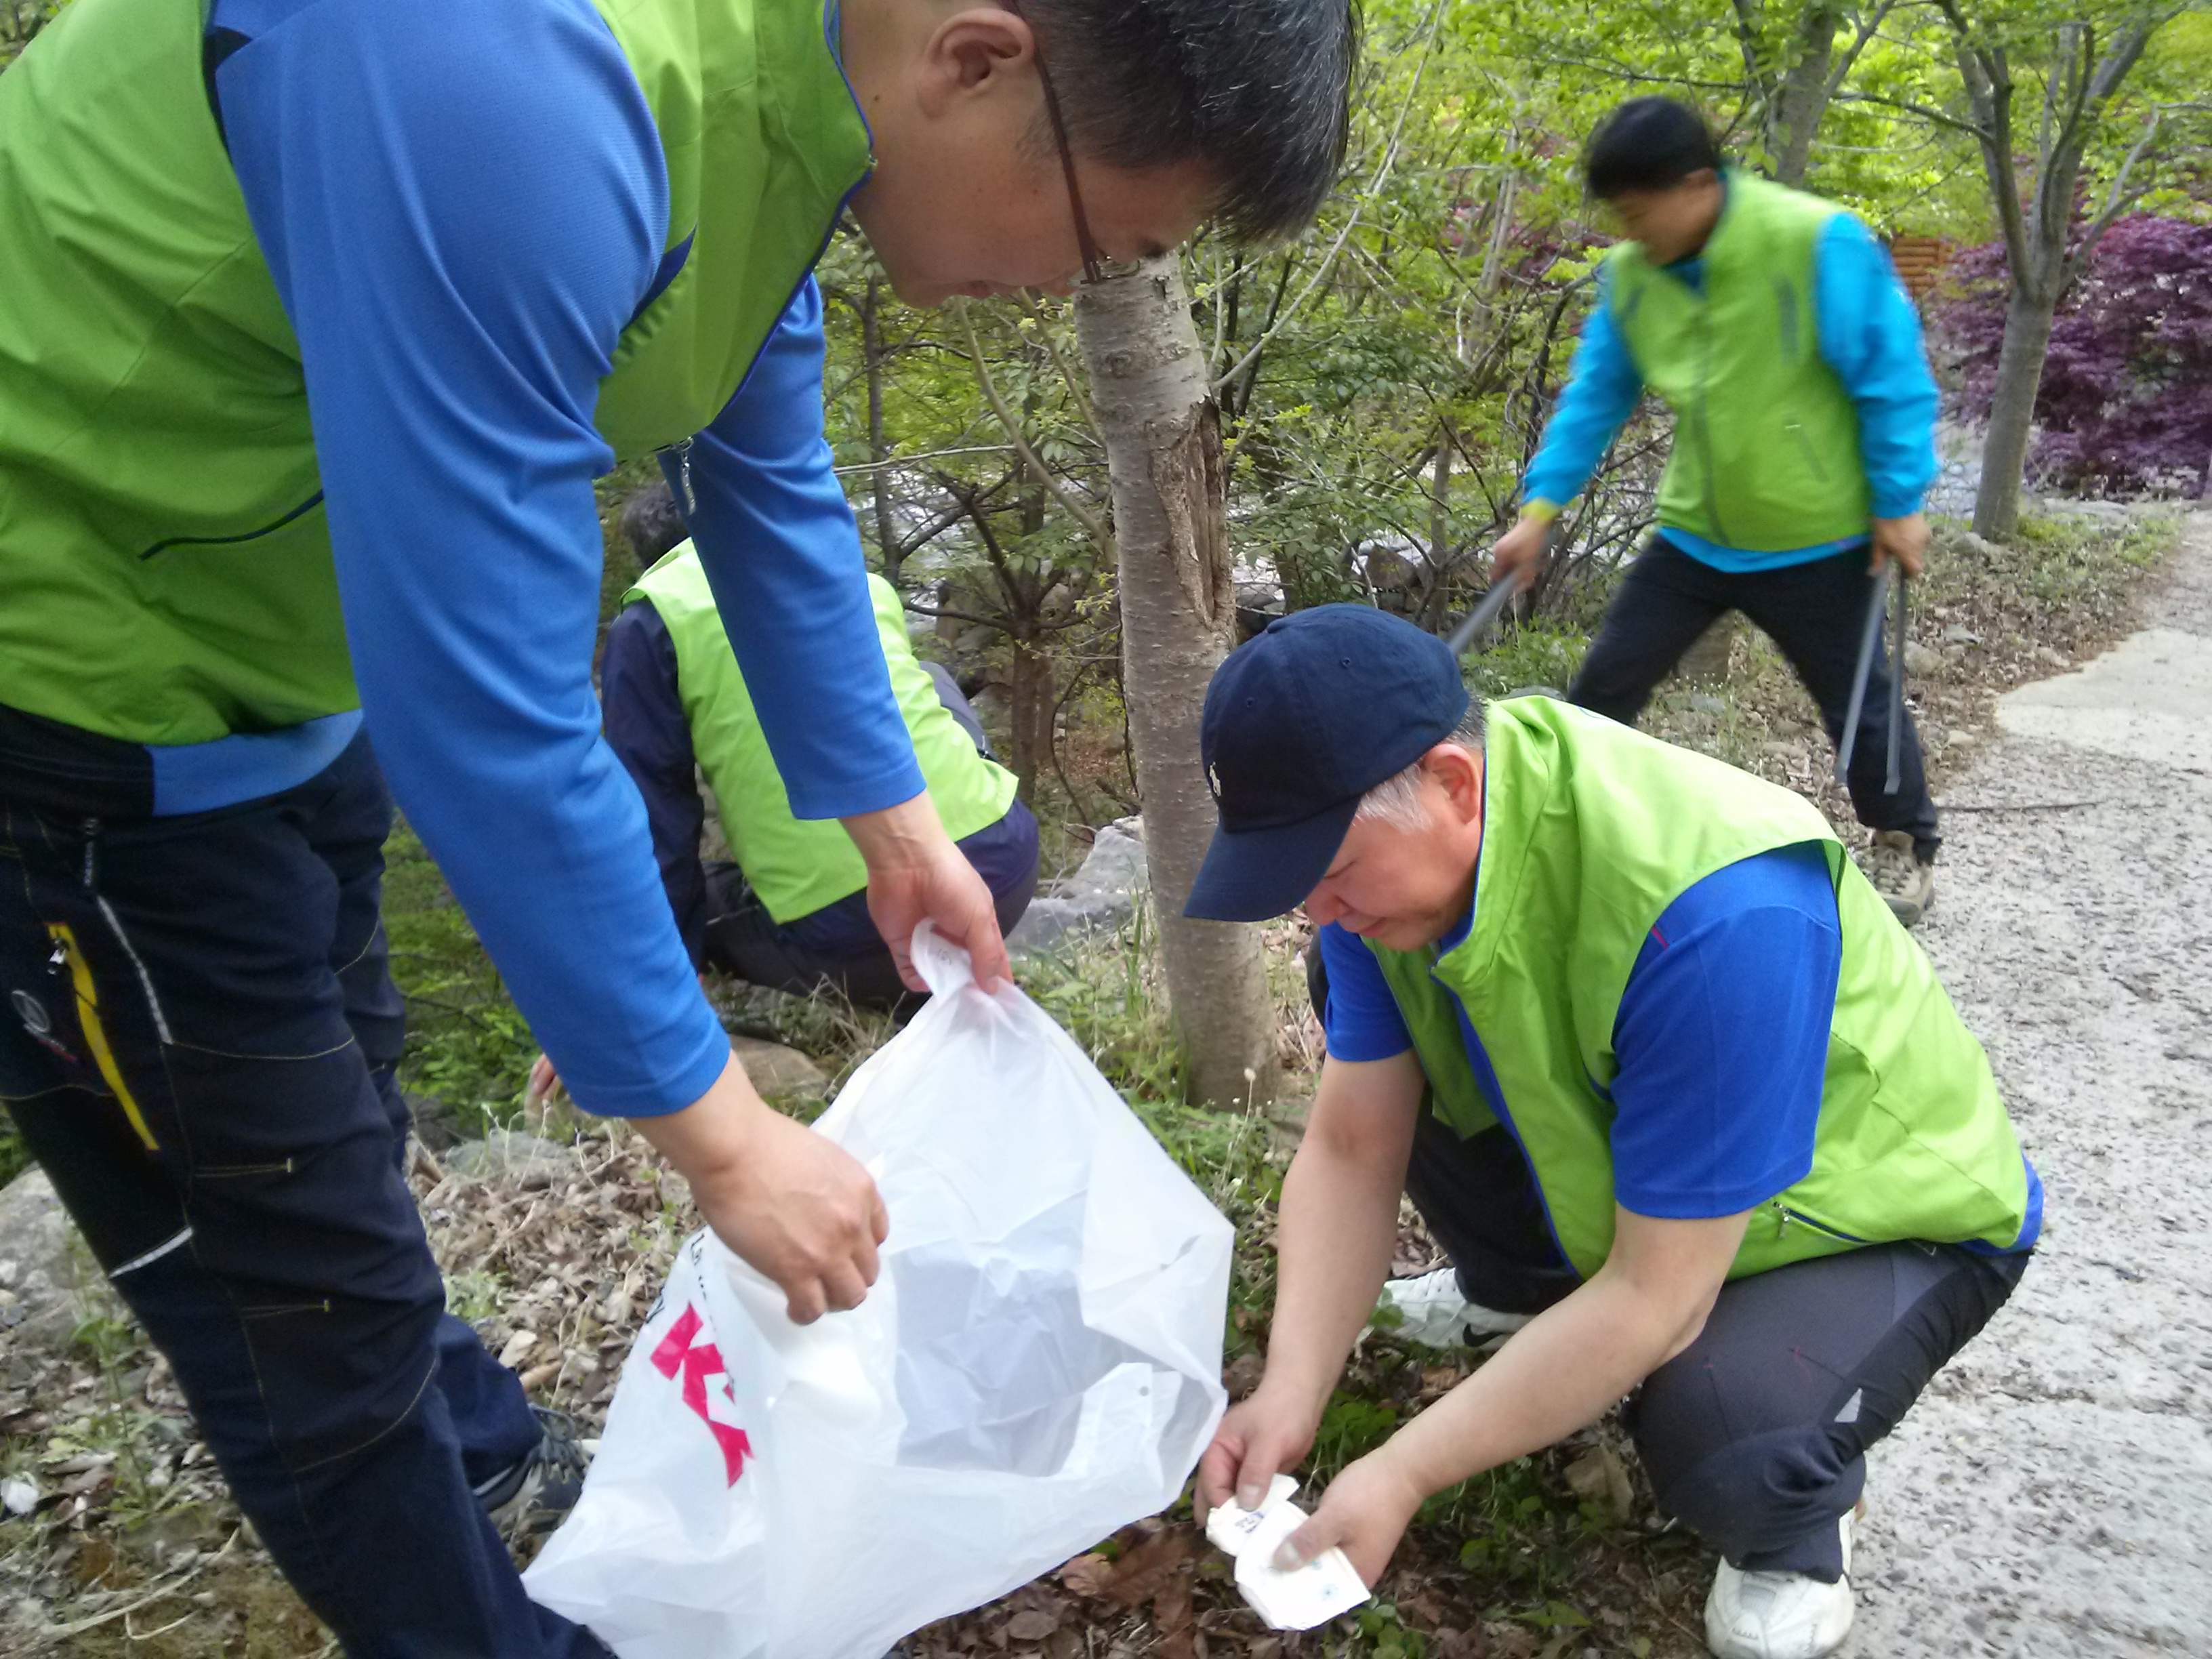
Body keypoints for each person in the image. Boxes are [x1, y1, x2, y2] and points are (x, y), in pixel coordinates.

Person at [0, 0, 1355, 1649]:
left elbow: (764, 474)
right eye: (1099, 235)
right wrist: (721, 1131)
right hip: (70, 684)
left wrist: (889, 812)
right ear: (981, 59)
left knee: (343, 1107)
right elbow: (490, 710)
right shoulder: (500, 68)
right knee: (291, 1290)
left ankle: (481, 1455)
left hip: (271, 662)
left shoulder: (787, 93)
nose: (1063, 287)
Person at [1184, 607, 2039, 1659]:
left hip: (1869, 1214)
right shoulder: (1396, 866)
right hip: (1663, 1171)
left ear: (1453, 784)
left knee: (1727, 1443)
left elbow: (1657, 1298)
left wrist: (1402, 1470)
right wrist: (1290, 1389)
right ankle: (1519, 1296)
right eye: (1292, 874)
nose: (1317, 904)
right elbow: (1357, 1144)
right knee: (1374, 971)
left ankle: (1799, 1529)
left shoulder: (1713, 908)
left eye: (1332, 867)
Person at [1489, 96, 1944, 927]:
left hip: (1819, 534)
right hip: (1698, 535)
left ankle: (1904, 842)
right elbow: (1597, 393)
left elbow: (1891, 376)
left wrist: (1900, 499)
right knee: (1604, 687)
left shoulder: (1815, 242)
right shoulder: (1632, 277)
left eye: (1639, 213)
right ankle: (1563, 835)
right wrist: (1540, 510)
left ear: (1698, 184)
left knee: (1859, 705)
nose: (1631, 235)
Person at [602, 484, 1039, 1006]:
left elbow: (652, 816)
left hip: (850, 944)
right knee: (931, 675)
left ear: (651, 557)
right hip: (1006, 873)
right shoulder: (845, 572)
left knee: (708, 896)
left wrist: (665, 967)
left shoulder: (654, 619)